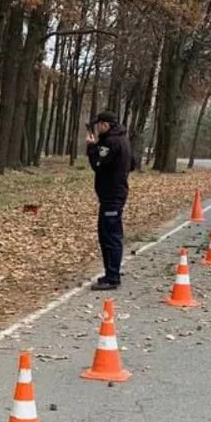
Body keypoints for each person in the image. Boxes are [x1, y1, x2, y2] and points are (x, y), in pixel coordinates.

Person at [85, 111, 132, 290]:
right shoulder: (122, 140)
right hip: (115, 193)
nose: (97, 127)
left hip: (111, 196)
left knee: (109, 236)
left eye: (99, 124)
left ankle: (112, 277)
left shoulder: (111, 143)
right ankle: (111, 273)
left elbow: (98, 164)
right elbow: (132, 164)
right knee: (110, 234)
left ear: (106, 125)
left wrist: (91, 147)